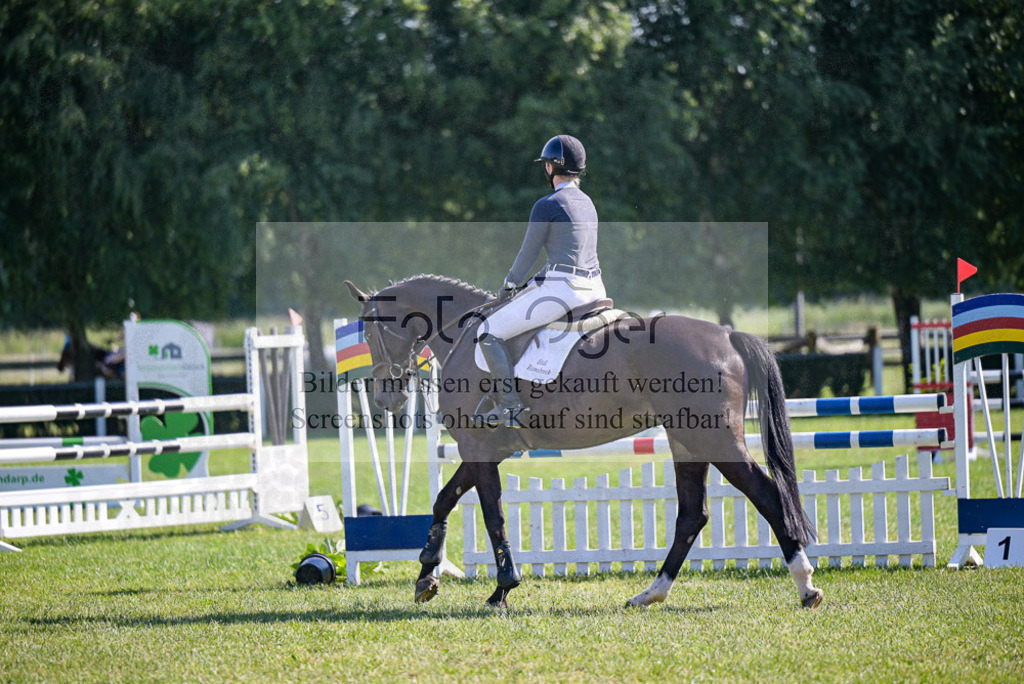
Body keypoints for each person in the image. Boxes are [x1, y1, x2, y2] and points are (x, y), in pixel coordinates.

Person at [475, 134, 607, 428]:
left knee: (488, 331)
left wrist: (510, 286)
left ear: (550, 168)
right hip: (596, 289)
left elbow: (528, 253)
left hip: (564, 290)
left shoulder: (546, 204)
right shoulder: (588, 203)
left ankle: (510, 406)